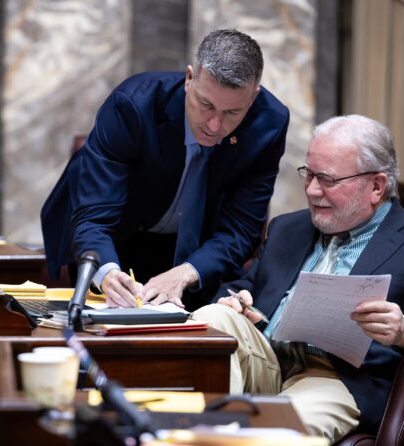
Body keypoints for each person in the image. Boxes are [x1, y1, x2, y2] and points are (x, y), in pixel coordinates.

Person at [193, 115, 404, 443]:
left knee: (272, 432)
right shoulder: (289, 228)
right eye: (309, 174)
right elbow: (246, 286)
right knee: (212, 318)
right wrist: (236, 301)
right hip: (268, 358)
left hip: (340, 378)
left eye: (327, 179)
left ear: (376, 186)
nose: (313, 190)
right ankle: (191, 430)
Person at [41, 29, 289, 310]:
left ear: (254, 97)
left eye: (232, 113)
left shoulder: (269, 124)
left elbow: (241, 228)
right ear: (189, 79)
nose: (214, 126)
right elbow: (93, 217)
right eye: (206, 105)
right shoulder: (133, 105)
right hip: (116, 234)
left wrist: (187, 272)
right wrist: (108, 272)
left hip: (196, 247)